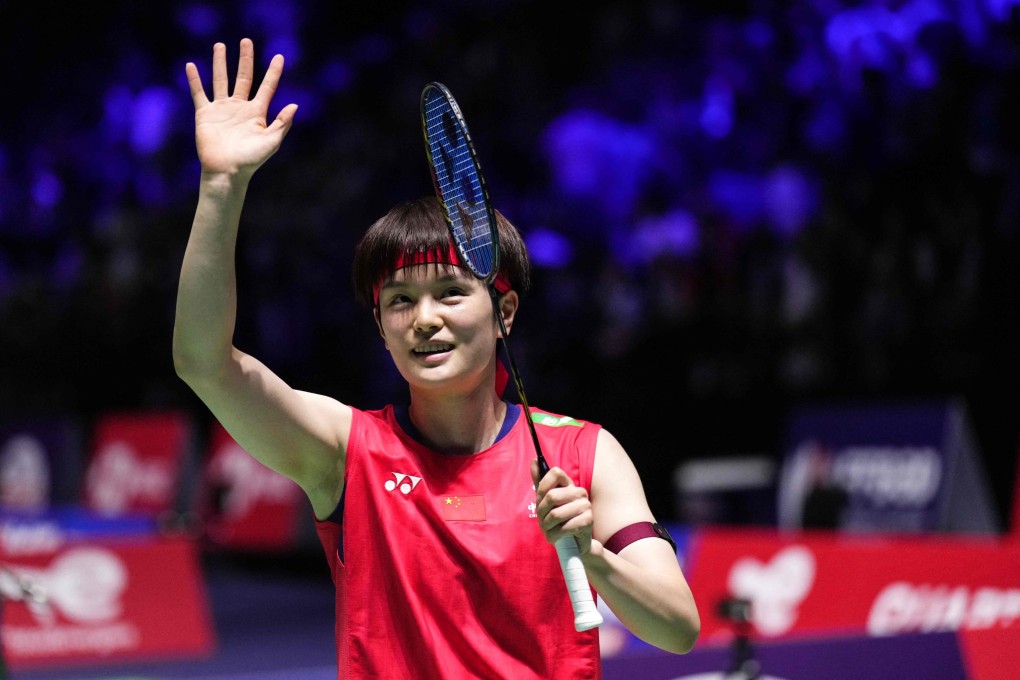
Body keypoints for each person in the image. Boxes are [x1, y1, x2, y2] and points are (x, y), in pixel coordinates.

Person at [174, 38, 700, 679]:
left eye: (451, 292)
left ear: (503, 312)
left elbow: (678, 628)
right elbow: (204, 363)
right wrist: (221, 188)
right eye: (400, 300)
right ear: (381, 327)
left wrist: (592, 556)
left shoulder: (582, 456)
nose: (425, 319)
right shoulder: (346, 454)